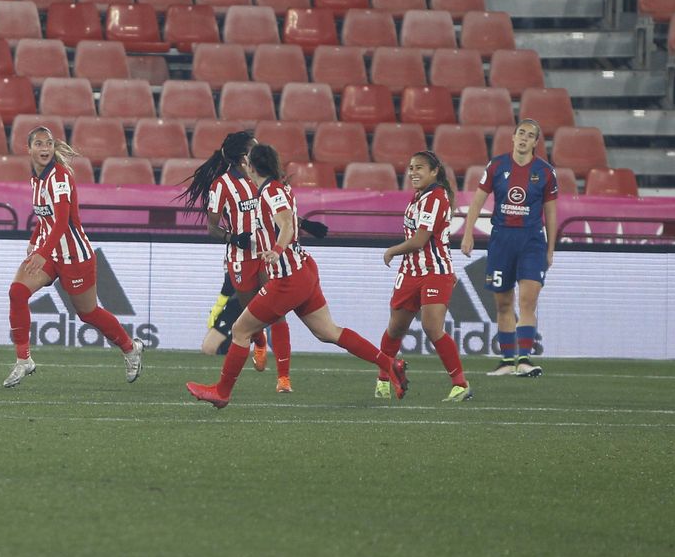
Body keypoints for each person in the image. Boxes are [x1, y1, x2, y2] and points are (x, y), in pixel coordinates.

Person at [186, 143, 407, 408]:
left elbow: (286, 224)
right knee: (328, 332)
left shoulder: (270, 192)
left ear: (252, 167)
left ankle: (222, 392)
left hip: (289, 278)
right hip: (303, 271)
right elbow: (284, 219)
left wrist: (277, 249)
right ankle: (390, 365)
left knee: (240, 330)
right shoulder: (274, 189)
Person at [4, 126, 144, 388]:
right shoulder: (36, 178)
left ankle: (129, 347)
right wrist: (35, 241)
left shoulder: (58, 178)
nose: (45, 148)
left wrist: (40, 251)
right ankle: (24, 360)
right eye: (39, 144)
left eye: (49, 143)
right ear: (29, 149)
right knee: (17, 292)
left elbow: (62, 222)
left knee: (88, 313)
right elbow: (45, 216)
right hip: (50, 253)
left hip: (74, 256)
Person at [178, 129, 295, 393]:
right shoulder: (222, 185)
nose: (258, 149)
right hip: (240, 258)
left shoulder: (264, 177)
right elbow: (212, 227)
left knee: (276, 312)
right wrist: (233, 237)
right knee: (250, 314)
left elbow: (283, 211)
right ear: (243, 156)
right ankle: (259, 340)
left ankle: (284, 378)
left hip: (267, 253)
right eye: (253, 147)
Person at [460, 118, 556, 378]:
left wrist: (550, 249)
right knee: (503, 304)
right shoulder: (497, 166)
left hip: (532, 241)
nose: (524, 138)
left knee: (527, 301)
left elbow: (551, 211)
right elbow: (478, 201)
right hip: (501, 240)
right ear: (513, 138)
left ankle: (524, 359)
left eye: (530, 135)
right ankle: (506, 360)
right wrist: (467, 234)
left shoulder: (545, 172)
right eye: (520, 133)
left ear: (536, 143)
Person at [376, 152, 472, 403]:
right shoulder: (419, 196)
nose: (413, 172)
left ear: (434, 171)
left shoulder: (436, 197)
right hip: (410, 272)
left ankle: (460, 384)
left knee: (432, 326)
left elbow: (420, 240)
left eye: (419, 168)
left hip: (435, 272)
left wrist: (391, 251)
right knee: (395, 328)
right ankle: (383, 380)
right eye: (410, 168)